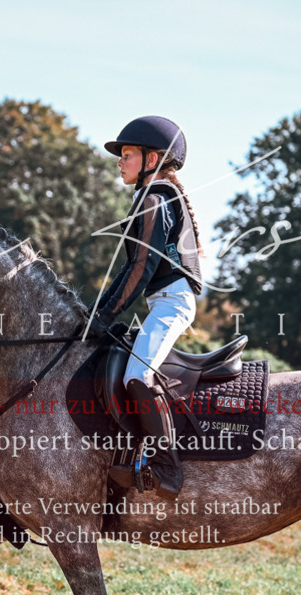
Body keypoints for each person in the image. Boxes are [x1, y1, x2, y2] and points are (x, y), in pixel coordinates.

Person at [93, 116, 204, 500]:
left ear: (152, 158)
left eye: (127, 154)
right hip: (162, 300)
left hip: (172, 301)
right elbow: (129, 269)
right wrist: (95, 314)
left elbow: (142, 269)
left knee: (138, 378)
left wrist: (105, 317)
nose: (119, 162)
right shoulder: (151, 197)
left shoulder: (155, 199)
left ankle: (167, 466)